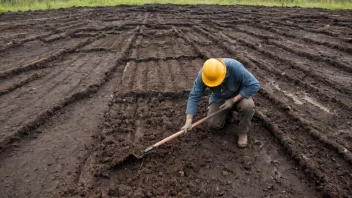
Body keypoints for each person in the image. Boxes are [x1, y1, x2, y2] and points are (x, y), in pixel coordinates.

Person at [181, 58, 260, 148]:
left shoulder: (234, 67)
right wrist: (189, 119)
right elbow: (194, 95)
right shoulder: (204, 75)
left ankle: (243, 132)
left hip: (239, 96)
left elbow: (254, 85)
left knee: (248, 106)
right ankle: (229, 113)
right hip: (220, 98)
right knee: (214, 124)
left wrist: (233, 100)